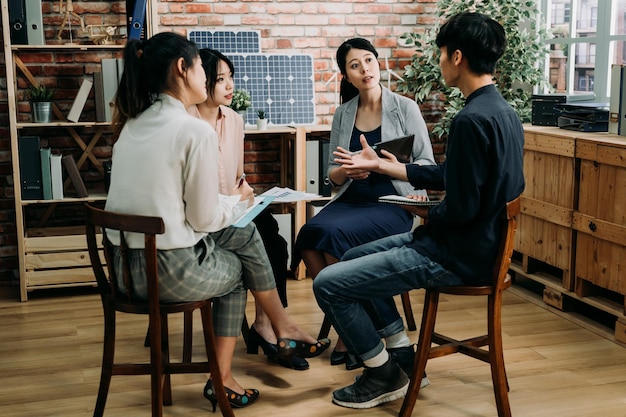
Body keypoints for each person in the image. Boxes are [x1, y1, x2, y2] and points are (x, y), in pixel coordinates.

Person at [105, 32, 330, 411]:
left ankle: (278, 331)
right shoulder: (194, 130)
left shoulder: (133, 124)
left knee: (242, 239)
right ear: (183, 69)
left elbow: (182, 206)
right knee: (241, 266)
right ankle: (233, 368)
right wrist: (237, 206)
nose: (209, 80)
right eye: (201, 69)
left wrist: (228, 206)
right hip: (168, 272)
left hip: (125, 270)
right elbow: (203, 217)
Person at [313, 11, 525, 409]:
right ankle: (400, 351)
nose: (440, 61)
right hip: (479, 245)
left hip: (456, 255)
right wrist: (385, 166)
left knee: (327, 283)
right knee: (352, 254)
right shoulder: (502, 112)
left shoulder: (469, 120)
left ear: (457, 57)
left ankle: (381, 372)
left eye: (442, 53)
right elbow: (455, 175)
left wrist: (422, 211)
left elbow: (460, 210)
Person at [292, 37, 435, 369]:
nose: (365, 69)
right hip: (351, 200)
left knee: (335, 240)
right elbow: (332, 175)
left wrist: (394, 173)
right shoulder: (344, 112)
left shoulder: (405, 107)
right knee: (309, 236)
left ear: (378, 63)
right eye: (355, 65)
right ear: (346, 75)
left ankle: (355, 335)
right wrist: (347, 170)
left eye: (369, 61)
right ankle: (354, 327)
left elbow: (426, 163)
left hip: (393, 204)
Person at [189, 47, 308, 371]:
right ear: (202, 80)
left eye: (231, 79)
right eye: (221, 79)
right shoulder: (187, 122)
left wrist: (245, 190)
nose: (230, 86)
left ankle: (264, 324)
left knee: (276, 238)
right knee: (260, 236)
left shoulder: (236, 120)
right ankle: (272, 327)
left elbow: (238, 174)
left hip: (235, 206)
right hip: (206, 215)